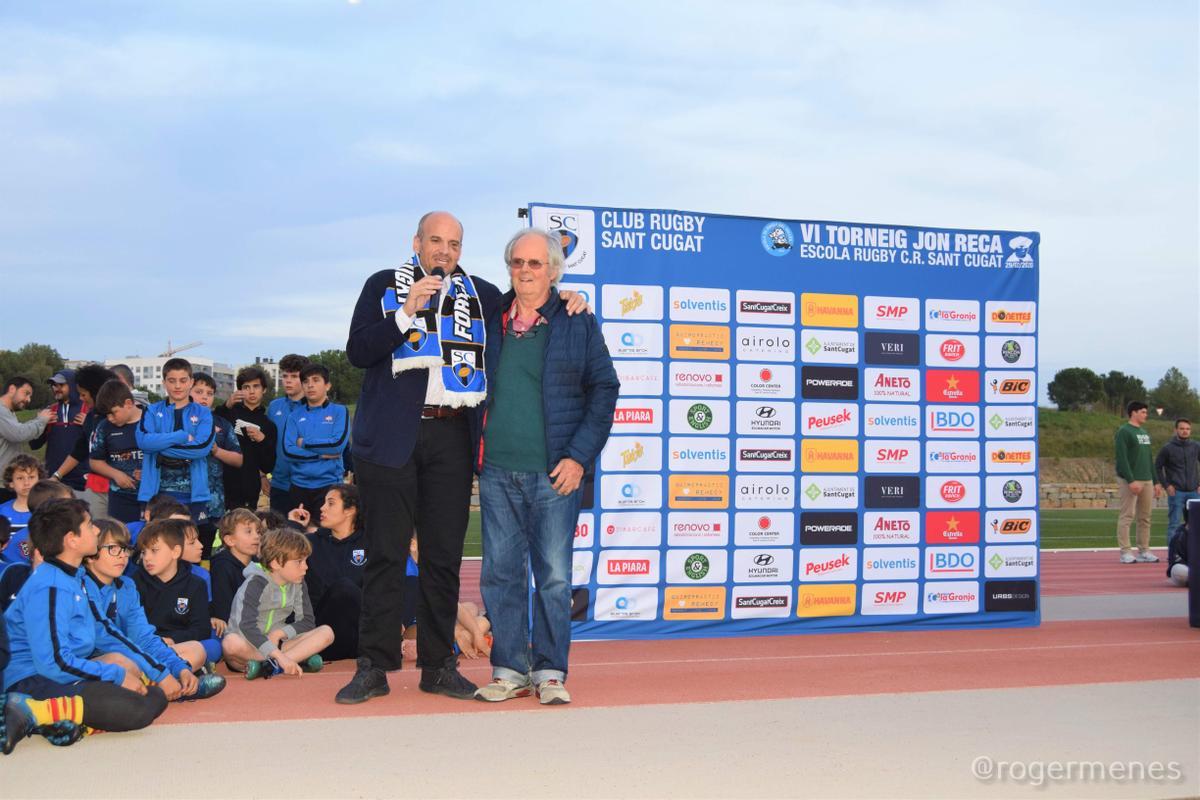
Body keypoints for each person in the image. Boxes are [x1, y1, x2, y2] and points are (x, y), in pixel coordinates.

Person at [337, 211, 589, 705]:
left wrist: (569, 298)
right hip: (390, 441)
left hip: (452, 437)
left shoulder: (482, 293)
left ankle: (438, 664)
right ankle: (374, 666)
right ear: (417, 242)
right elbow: (357, 351)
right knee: (387, 555)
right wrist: (405, 313)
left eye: (454, 243)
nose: (444, 251)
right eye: (436, 241)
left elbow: (533, 304)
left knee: (443, 559)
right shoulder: (384, 284)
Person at [474, 228, 618, 705]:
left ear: (554, 271)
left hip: (554, 474)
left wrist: (578, 457)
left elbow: (605, 389)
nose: (525, 272)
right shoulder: (490, 317)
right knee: (500, 573)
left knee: (554, 577)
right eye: (518, 262)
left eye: (536, 264)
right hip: (496, 471)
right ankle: (510, 668)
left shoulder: (576, 320)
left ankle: (551, 671)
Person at [3, 498, 168, 735]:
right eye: (90, 525)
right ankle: (30, 710)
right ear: (72, 540)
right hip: (31, 678)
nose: (97, 530)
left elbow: (103, 632)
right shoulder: (49, 586)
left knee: (154, 697)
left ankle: (63, 721)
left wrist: (151, 671)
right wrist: (116, 675)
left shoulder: (75, 576)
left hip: (62, 672)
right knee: (134, 710)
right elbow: (54, 663)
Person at [82, 518, 225, 701]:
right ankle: (172, 689)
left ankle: (166, 685)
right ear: (91, 552)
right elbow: (107, 640)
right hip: (86, 664)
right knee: (119, 662)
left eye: (125, 549)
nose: (123, 556)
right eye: (113, 549)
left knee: (195, 650)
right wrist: (160, 672)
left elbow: (143, 637)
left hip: (133, 657)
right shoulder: (80, 586)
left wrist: (179, 667)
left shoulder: (126, 586)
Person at [222, 528, 333, 678]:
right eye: (299, 561)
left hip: (278, 643)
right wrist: (279, 656)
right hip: (249, 645)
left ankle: (268, 667)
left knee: (326, 632)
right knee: (230, 643)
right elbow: (246, 626)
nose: (306, 567)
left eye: (306, 560)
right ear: (275, 563)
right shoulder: (255, 583)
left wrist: (280, 633)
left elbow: (307, 622)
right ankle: (288, 661)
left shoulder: (298, 583)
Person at [131, 519, 221, 670]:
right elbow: (133, 627)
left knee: (212, 646)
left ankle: (162, 671)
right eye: (144, 552)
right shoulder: (134, 583)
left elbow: (201, 629)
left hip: (180, 645)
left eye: (154, 550)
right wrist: (157, 641)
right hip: (148, 644)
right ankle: (184, 671)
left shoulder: (196, 584)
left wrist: (172, 639)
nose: (147, 558)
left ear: (175, 552)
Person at [290, 485, 365, 662]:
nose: (322, 508)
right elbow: (279, 558)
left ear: (350, 510)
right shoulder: (310, 543)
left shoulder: (371, 543)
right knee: (343, 587)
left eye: (330, 503)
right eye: (323, 502)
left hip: (360, 637)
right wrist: (293, 525)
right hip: (321, 634)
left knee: (348, 589)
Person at [135, 358, 215, 522]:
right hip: (154, 495)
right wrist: (182, 436)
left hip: (193, 495)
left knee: (190, 542)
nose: (177, 386)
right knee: (155, 542)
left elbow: (202, 449)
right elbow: (143, 442)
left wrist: (158, 446)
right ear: (164, 382)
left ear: (191, 382)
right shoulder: (151, 410)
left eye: (183, 380)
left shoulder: (203, 413)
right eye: (172, 381)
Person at [282, 363, 349, 514]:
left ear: (327, 385)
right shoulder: (294, 416)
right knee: (299, 535)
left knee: (326, 535)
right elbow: (288, 451)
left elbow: (337, 445)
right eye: (306, 381)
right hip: (298, 487)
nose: (310, 385)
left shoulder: (339, 411)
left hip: (330, 486)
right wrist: (320, 454)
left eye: (316, 380)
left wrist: (304, 442)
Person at [190, 373, 243, 556]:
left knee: (206, 550)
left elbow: (238, 459)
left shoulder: (222, 424)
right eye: (199, 391)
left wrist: (217, 451)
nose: (204, 397)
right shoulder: (175, 420)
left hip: (213, 502)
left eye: (209, 393)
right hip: (183, 499)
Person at [217, 365, 277, 512]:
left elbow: (268, 466)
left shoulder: (268, 425)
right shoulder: (229, 412)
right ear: (240, 390)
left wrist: (262, 440)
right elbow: (210, 421)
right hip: (220, 483)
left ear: (263, 389)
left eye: (256, 386)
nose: (251, 391)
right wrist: (226, 405)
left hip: (248, 488)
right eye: (246, 387)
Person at [61, 364, 116, 518]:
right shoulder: (91, 418)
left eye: (83, 394)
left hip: (120, 490)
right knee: (97, 531)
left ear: (96, 392)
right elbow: (79, 450)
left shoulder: (119, 418)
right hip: (96, 487)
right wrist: (57, 476)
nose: (80, 398)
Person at [89, 379, 146, 524]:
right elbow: (95, 462)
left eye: (113, 413)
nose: (110, 418)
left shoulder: (152, 421)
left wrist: (151, 471)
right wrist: (116, 474)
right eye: (106, 414)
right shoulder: (104, 427)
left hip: (153, 496)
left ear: (128, 403)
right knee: (122, 540)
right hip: (120, 497)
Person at [1115, 401, 1163, 563]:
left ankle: (1144, 550)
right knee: (1127, 515)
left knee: (1145, 517)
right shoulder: (1124, 432)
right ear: (1133, 413)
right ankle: (1125, 552)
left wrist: (1156, 481)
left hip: (1147, 480)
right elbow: (1122, 459)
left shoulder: (1144, 432)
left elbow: (1149, 459)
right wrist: (1131, 480)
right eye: (1143, 412)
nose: (1145, 414)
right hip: (1130, 480)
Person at [29, 370, 87, 494]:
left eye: (61, 385)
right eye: (54, 385)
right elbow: (33, 445)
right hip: (53, 479)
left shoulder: (88, 409)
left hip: (82, 479)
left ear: (72, 385)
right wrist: (41, 423)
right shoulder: (49, 411)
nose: (56, 388)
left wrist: (89, 424)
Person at [267, 354, 310, 513]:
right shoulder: (274, 407)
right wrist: (263, 475)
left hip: (308, 485)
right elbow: (266, 445)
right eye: (285, 376)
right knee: (278, 535)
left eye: (294, 376)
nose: (288, 380)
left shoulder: (317, 407)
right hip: (279, 484)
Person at [210, 508, 262, 633]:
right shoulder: (223, 566)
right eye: (248, 532)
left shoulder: (258, 564)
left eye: (258, 531)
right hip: (234, 628)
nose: (257, 536)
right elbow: (224, 608)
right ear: (230, 540)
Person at [0, 377, 52, 481]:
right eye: (26, 393)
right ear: (12, 389)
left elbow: (19, 429)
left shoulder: (8, 412)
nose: (28, 399)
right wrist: (41, 420)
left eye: (30, 396)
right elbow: (19, 434)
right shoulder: (1, 412)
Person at [1155, 418, 1200, 535]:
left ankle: (1193, 553)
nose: (1185, 431)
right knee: (1174, 524)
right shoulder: (1167, 448)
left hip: (1194, 492)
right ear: (1176, 430)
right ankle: (1173, 553)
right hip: (1176, 493)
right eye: (1182, 429)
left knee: (1196, 524)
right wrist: (1166, 485)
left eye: (1187, 429)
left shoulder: (1196, 446)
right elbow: (1157, 467)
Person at [0, 456, 46, 563]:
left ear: (39, 479)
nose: (26, 483)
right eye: (20, 478)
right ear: (11, 482)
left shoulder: (46, 512)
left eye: (31, 477)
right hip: (7, 571)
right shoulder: (2, 511)